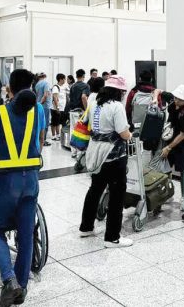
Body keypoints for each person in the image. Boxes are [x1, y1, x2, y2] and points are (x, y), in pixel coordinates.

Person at [0, 69, 46, 305]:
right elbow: (41, 140)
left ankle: (9, 281)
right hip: (31, 179)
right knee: (25, 236)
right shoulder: (39, 110)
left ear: (9, 89)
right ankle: (21, 288)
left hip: (7, 181)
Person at [78, 75, 133, 248]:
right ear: (118, 92)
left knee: (95, 189)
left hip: (95, 152)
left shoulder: (94, 103)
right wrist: (130, 135)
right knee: (117, 195)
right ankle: (112, 237)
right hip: (113, 155)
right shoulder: (116, 106)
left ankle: (86, 227)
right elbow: (123, 132)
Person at [33, 72, 51, 146]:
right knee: (45, 123)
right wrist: (41, 103)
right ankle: (44, 140)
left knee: (39, 122)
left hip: (38, 105)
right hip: (45, 105)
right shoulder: (46, 83)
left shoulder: (37, 84)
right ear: (44, 76)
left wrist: (38, 104)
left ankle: (38, 139)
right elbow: (45, 95)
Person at [50, 74, 69, 141]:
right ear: (61, 79)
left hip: (61, 108)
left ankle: (58, 135)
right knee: (54, 122)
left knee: (58, 122)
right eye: (64, 79)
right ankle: (53, 135)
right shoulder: (56, 87)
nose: (65, 80)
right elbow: (55, 98)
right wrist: (57, 107)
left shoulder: (63, 87)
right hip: (55, 108)